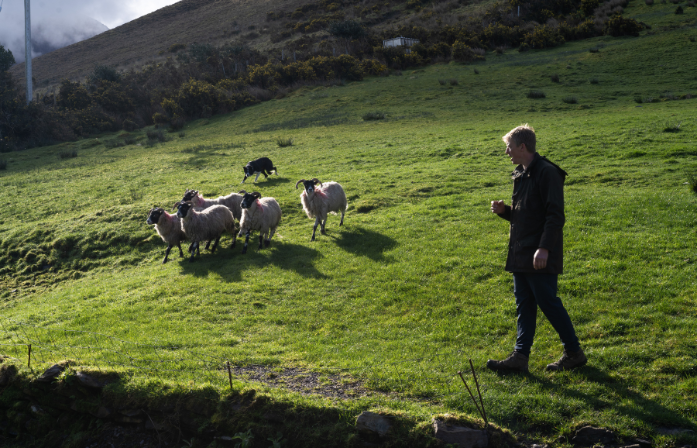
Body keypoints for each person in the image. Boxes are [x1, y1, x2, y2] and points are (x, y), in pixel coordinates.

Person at [487, 124, 586, 372]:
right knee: (524, 303)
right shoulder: (521, 174)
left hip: (539, 253)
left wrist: (544, 249)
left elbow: (554, 216)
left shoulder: (547, 173)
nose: (506, 152)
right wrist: (504, 212)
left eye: (509, 147)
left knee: (547, 302)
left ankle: (574, 353)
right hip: (521, 253)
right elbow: (527, 215)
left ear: (522, 146)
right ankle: (520, 357)